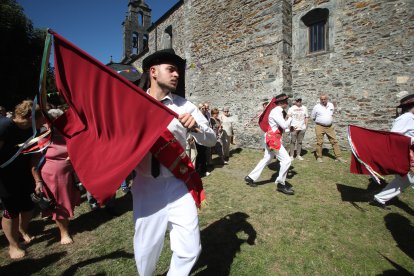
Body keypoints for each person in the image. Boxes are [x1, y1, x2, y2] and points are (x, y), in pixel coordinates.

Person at [131, 49, 216, 275]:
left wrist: (197, 129)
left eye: (178, 70)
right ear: (153, 72)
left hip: (179, 183)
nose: (176, 74)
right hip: (146, 185)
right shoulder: (133, 104)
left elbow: (212, 140)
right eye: (171, 69)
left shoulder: (185, 106)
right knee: (146, 249)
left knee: (190, 249)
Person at [0, 100, 45, 259]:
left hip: (24, 174)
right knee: (11, 211)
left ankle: (22, 230)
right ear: (32, 117)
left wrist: (37, 179)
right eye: (43, 116)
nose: (45, 120)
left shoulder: (36, 130)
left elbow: (34, 157)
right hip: (4, 178)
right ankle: (13, 245)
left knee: (28, 207)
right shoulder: (5, 126)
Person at [31, 108, 80, 244]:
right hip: (54, 177)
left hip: (69, 174)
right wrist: (38, 181)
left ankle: (65, 225)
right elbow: (34, 161)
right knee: (60, 203)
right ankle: (63, 233)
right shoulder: (43, 135)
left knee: (68, 200)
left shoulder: (65, 131)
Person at [244, 94, 294, 195]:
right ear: (281, 103)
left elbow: (280, 127)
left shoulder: (278, 111)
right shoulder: (276, 111)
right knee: (287, 160)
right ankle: (281, 184)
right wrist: (290, 118)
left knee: (267, 158)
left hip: (272, 137)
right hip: (273, 139)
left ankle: (250, 177)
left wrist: (289, 128)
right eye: (285, 101)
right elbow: (284, 125)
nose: (287, 103)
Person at [371, 94, 414, 209]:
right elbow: (394, 137)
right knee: (405, 180)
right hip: (407, 156)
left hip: (408, 155)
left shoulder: (410, 118)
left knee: (403, 181)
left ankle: (379, 199)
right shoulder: (406, 118)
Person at [311, 94, 346, 163]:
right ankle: (319, 157)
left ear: (327, 99)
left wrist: (327, 120)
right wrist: (321, 121)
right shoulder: (316, 107)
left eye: (324, 99)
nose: (323, 100)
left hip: (329, 127)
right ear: (320, 100)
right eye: (322, 99)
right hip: (319, 126)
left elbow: (331, 114)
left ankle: (338, 157)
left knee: (334, 141)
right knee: (319, 142)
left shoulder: (331, 105)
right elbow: (313, 116)